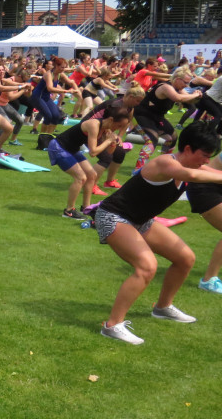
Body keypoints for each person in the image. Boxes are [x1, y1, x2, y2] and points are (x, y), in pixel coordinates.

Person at [94, 121, 222, 345]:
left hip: (141, 221)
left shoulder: (194, 166)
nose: (206, 161)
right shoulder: (165, 162)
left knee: (185, 258)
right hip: (113, 216)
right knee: (146, 267)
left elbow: (206, 172)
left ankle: (162, 307)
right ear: (189, 149)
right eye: (204, 155)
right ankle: (112, 325)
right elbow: (195, 175)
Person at [49, 105, 131, 220]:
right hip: (58, 147)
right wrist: (108, 141)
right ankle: (69, 211)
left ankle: (86, 208)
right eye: (119, 125)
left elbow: (109, 152)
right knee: (81, 177)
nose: (118, 129)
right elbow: (93, 152)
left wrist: (112, 143)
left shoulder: (106, 129)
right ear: (111, 120)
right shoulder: (94, 125)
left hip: (72, 149)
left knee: (92, 175)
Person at [132, 69, 202, 173]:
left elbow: (189, 100)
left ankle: (162, 164)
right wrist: (194, 95)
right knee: (152, 140)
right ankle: (137, 170)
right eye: (185, 82)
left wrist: (197, 95)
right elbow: (177, 98)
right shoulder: (165, 87)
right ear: (178, 79)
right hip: (142, 114)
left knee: (172, 138)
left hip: (157, 116)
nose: (187, 86)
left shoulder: (177, 88)